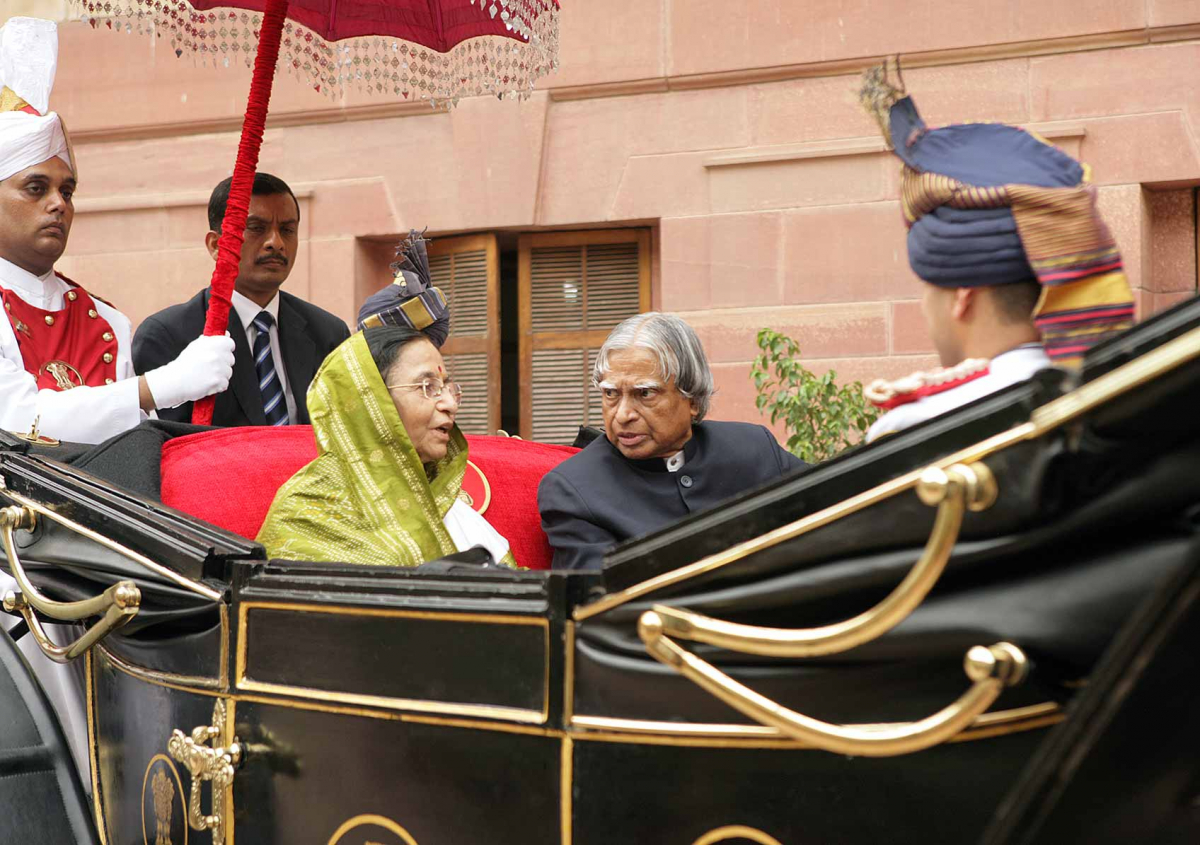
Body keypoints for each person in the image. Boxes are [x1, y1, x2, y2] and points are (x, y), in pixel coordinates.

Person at [858, 61, 1134, 442]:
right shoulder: (1116, 400)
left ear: (962, 297)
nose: (925, 307)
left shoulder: (912, 427)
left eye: (928, 289)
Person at [0, 17, 235, 444]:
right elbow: (18, 422)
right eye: (36, 188)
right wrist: (157, 387)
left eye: (67, 191)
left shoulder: (108, 322)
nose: (58, 204)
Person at [538, 312, 807, 571]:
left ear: (692, 399)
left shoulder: (754, 448)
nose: (622, 415)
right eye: (610, 393)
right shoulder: (574, 491)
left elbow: (836, 505)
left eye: (644, 393)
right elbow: (600, 605)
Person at [256, 324, 516, 567]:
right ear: (372, 402)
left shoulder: (447, 503)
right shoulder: (308, 511)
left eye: (448, 388)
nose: (450, 404)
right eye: (428, 387)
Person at [132, 172, 350, 426]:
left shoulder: (328, 334)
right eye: (257, 228)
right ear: (215, 245)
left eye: (287, 230)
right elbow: (172, 446)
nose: (276, 243)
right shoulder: (167, 336)